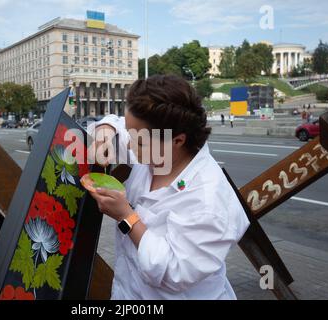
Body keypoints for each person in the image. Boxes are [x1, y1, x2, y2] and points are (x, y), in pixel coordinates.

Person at [87, 75, 250, 300]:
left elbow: (173, 273)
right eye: (129, 134)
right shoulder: (157, 151)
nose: (129, 145)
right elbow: (123, 127)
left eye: (139, 141)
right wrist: (106, 130)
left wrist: (126, 217)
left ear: (178, 140)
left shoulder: (209, 201)